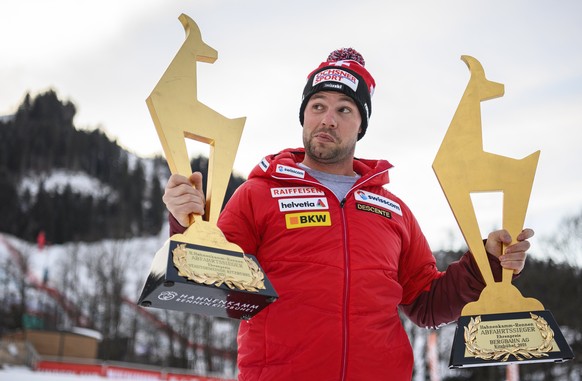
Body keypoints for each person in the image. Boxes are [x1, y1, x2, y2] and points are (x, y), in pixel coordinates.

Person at [163, 48, 533, 381]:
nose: (328, 119)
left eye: (344, 109)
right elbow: (217, 290)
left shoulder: (393, 210)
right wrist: (186, 223)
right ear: (304, 115)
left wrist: (485, 263)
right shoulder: (259, 194)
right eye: (318, 106)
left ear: (361, 125)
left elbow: (426, 304)